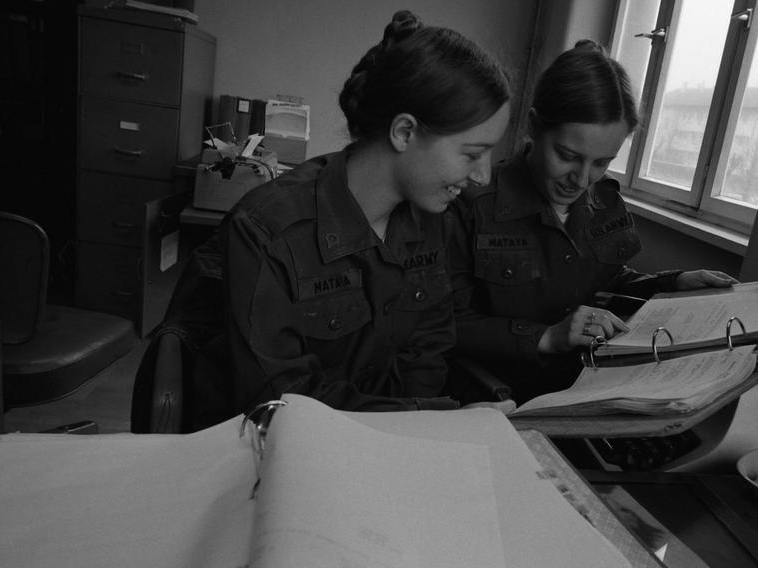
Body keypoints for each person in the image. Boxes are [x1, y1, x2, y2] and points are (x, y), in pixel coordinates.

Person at [136, 10, 512, 432]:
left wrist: (415, 430)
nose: (483, 175)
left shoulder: (432, 220)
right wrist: (425, 421)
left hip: (380, 445)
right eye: (472, 153)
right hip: (268, 453)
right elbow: (278, 403)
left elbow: (427, 353)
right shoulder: (267, 230)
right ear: (404, 133)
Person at [447, 41, 737, 404]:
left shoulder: (605, 199)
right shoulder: (470, 204)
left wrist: (673, 282)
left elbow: (604, 281)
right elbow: (446, 323)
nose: (582, 179)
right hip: (504, 397)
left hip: (595, 384)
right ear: (535, 127)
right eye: (568, 156)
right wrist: (548, 336)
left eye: (602, 162)